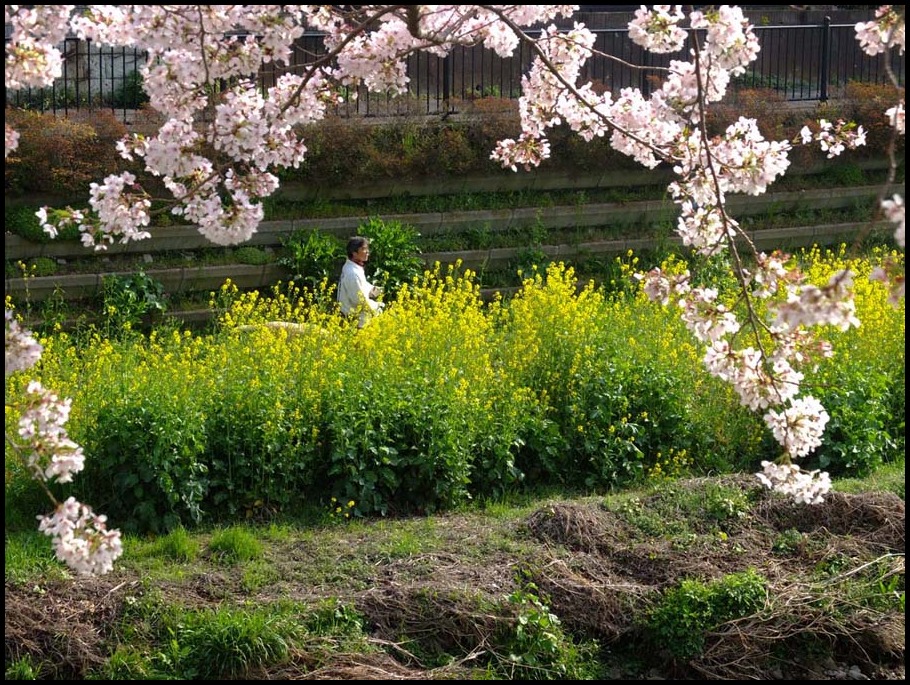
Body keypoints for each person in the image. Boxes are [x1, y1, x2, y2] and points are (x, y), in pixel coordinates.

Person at [337, 236, 384, 328]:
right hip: (354, 321)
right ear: (354, 253)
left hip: (357, 317)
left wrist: (373, 289)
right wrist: (376, 307)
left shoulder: (354, 267)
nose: (367, 252)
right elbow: (359, 300)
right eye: (363, 249)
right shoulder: (352, 273)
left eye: (367, 249)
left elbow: (361, 286)